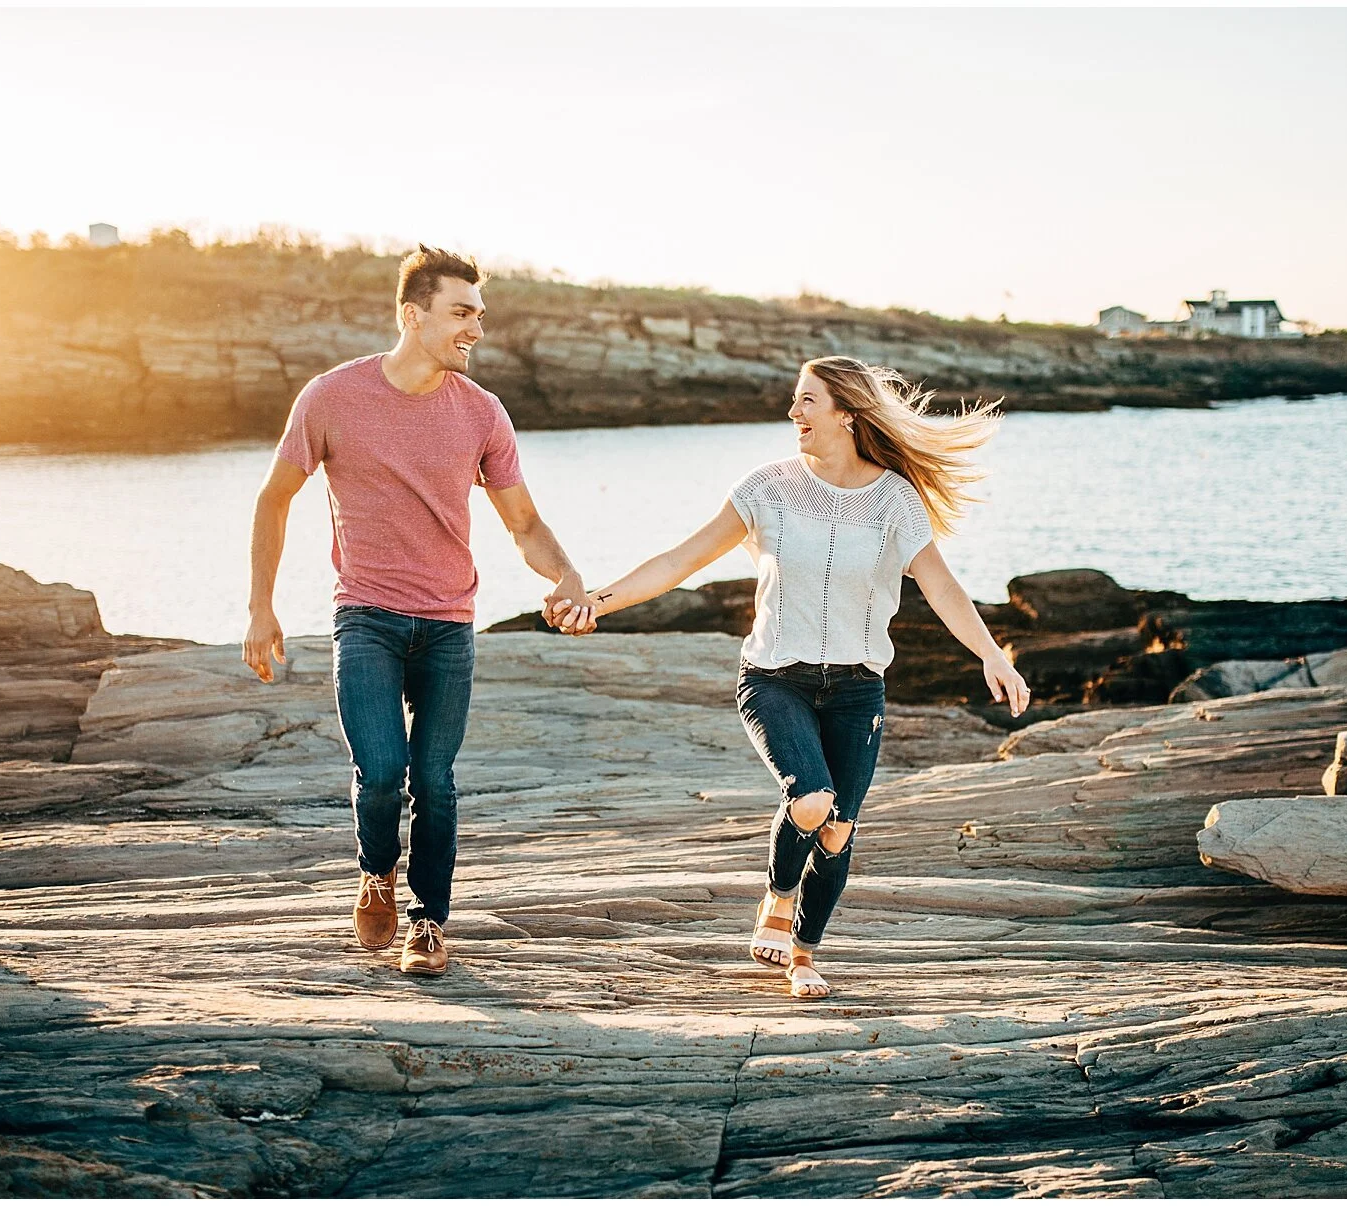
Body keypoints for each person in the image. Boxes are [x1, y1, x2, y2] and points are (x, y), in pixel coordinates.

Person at [551, 356, 1029, 998]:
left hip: (859, 688)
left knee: (838, 828)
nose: (793, 412)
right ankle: (777, 897)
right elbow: (681, 559)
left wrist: (991, 653)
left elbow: (939, 584)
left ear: (847, 415)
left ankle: (804, 955)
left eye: (808, 401)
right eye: (796, 400)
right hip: (774, 678)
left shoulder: (895, 499)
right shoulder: (767, 488)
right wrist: (597, 604)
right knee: (810, 801)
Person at [242, 244, 587, 977]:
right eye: (461, 314)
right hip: (363, 615)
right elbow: (275, 498)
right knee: (379, 772)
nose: (476, 330)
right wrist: (259, 608)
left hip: (447, 626)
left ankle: (428, 923)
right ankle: (376, 875)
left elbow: (522, 523)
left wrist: (566, 575)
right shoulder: (331, 397)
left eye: (480, 316)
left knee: (435, 781)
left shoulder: (482, 413)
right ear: (413, 314)